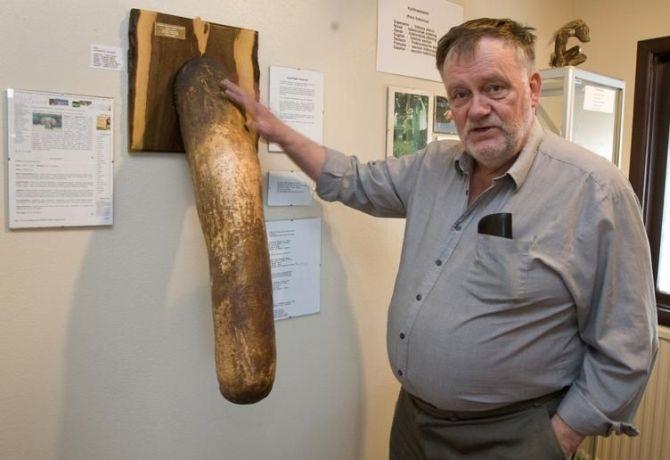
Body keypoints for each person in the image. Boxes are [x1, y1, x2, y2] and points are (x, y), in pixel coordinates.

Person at [222, 17, 658, 460]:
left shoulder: (594, 190)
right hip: (414, 423)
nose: (477, 109)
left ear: (532, 88)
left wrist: (559, 436)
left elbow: (629, 344)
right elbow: (355, 180)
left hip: (512, 437)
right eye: (461, 94)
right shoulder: (434, 165)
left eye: (495, 88)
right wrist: (276, 131)